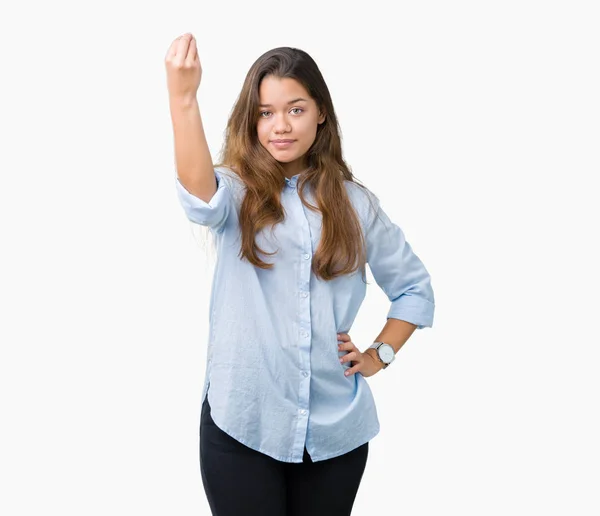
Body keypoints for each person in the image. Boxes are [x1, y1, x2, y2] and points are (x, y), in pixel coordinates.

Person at [165, 32, 435, 516]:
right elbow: (200, 200)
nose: (280, 126)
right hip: (242, 422)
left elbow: (414, 289)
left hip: (336, 433)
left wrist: (379, 354)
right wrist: (183, 97)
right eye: (265, 113)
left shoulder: (357, 204)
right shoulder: (235, 191)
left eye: (295, 109)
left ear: (321, 113)